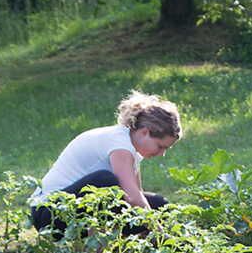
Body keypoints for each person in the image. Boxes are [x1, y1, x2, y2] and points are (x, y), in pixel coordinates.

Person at [30, 90, 181, 235]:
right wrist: (159, 232)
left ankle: (138, 250)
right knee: (106, 182)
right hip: (48, 214)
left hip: (74, 209)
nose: (162, 153)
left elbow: (137, 195)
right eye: (160, 146)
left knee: (159, 205)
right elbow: (133, 198)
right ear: (144, 132)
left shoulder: (132, 148)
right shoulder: (120, 144)